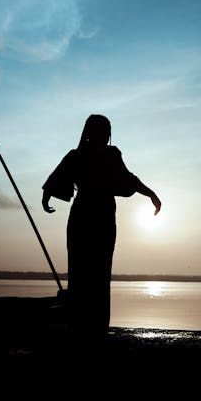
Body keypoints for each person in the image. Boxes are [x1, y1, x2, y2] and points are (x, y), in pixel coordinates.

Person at [42, 114, 161, 349]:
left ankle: (91, 328)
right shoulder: (83, 155)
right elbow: (56, 179)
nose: (104, 136)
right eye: (102, 131)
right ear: (92, 133)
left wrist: (150, 194)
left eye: (106, 131)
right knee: (87, 270)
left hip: (94, 216)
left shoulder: (100, 154)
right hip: (91, 216)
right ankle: (86, 327)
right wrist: (151, 194)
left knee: (93, 270)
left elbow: (128, 179)